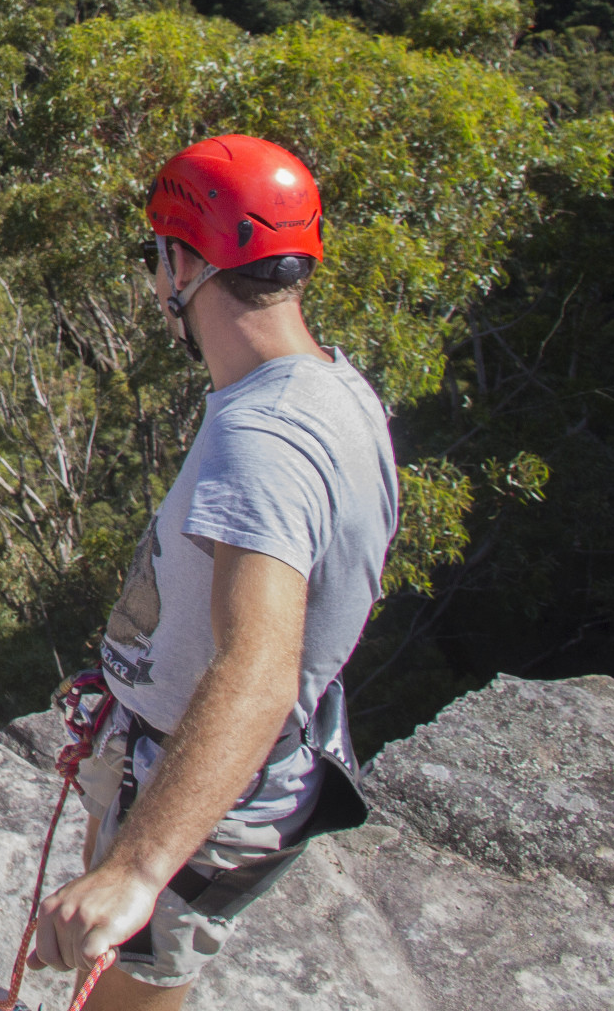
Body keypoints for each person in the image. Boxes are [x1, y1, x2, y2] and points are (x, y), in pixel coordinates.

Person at [31, 133, 397, 1007]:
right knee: (116, 962)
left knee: (125, 980)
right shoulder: (331, 390)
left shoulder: (259, 441)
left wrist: (139, 867)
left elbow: (258, 670)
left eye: (156, 260)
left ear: (182, 263)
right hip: (210, 760)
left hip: (208, 780)